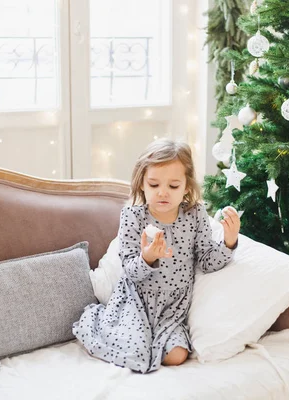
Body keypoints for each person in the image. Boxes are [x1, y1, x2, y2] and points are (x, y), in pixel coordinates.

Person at [73, 139, 240, 373]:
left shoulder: (195, 215)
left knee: (177, 356)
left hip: (173, 308)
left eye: (173, 186)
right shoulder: (133, 216)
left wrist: (229, 241)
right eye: (154, 184)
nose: (163, 192)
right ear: (142, 183)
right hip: (135, 300)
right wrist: (147, 257)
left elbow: (206, 261)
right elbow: (130, 270)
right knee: (136, 353)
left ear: (187, 187)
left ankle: (151, 339)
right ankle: (102, 321)